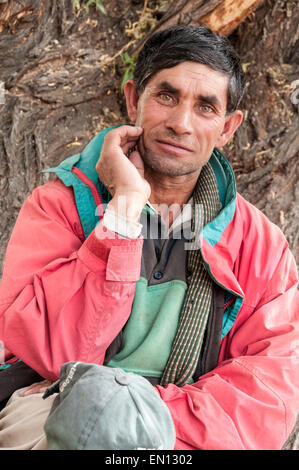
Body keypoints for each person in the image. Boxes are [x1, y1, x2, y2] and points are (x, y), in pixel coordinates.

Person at [0, 25, 298, 450]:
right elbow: (51, 352)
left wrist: (143, 417)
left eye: (205, 108)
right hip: (56, 410)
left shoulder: (261, 247)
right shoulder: (60, 207)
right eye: (166, 96)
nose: (180, 123)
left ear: (228, 128)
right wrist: (122, 212)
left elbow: (265, 398)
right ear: (132, 98)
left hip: (181, 436)